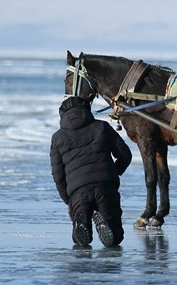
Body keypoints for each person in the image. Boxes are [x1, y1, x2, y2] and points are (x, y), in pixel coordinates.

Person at [50, 95, 133, 247]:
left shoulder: (57, 138)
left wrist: (69, 200)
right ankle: (106, 223)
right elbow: (125, 155)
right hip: (105, 186)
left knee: (80, 237)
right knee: (115, 236)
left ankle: (81, 220)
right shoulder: (102, 127)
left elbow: (58, 175)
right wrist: (113, 172)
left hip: (78, 191)